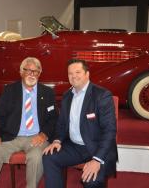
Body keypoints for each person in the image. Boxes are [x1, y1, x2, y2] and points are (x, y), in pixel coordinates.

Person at [0, 57, 58, 188]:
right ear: (21, 72)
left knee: (36, 157)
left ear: (40, 73)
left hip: (36, 138)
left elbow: (53, 118)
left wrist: (44, 134)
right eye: (28, 70)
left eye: (35, 71)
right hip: (11, 137)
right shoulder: (9, 90)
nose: (31, 74)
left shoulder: (48, 92)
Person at [43, 59, 118, 188]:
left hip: (97, 148)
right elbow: (61, 124)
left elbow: (109, 131)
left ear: (87, 74)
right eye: (70, 73)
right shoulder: (67, 96)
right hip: (74, 147)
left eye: (78, 72)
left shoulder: (102, 95)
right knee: (49, 157)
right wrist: (57, 140)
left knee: (91, 180)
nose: (73, 76)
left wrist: (97, 160)